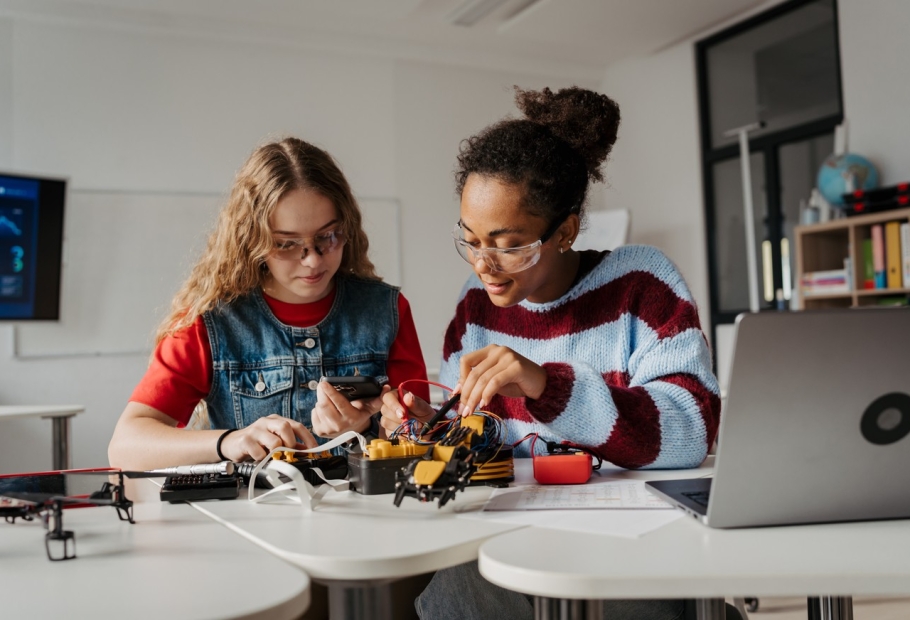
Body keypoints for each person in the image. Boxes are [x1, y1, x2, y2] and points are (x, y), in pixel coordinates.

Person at [379, 87, 721, 620]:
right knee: (455, 587)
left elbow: (691, 430)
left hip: (631, 550)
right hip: (515, 542)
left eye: (508, 244)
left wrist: (548, 386)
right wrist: (429, 425)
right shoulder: (475, 310)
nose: (483, 265)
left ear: (565, 231)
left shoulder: (642, 283)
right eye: (470, 239)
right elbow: (479, 439)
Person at [109, 137, 429, 471]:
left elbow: (425, 436)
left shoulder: (386, 311)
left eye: (327, 236)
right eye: (287, 244)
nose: (312, 260)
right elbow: (125, 445)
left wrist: (365, 429)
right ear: (253, 241)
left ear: (347, 226)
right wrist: (230, 441)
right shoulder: (210, 324)